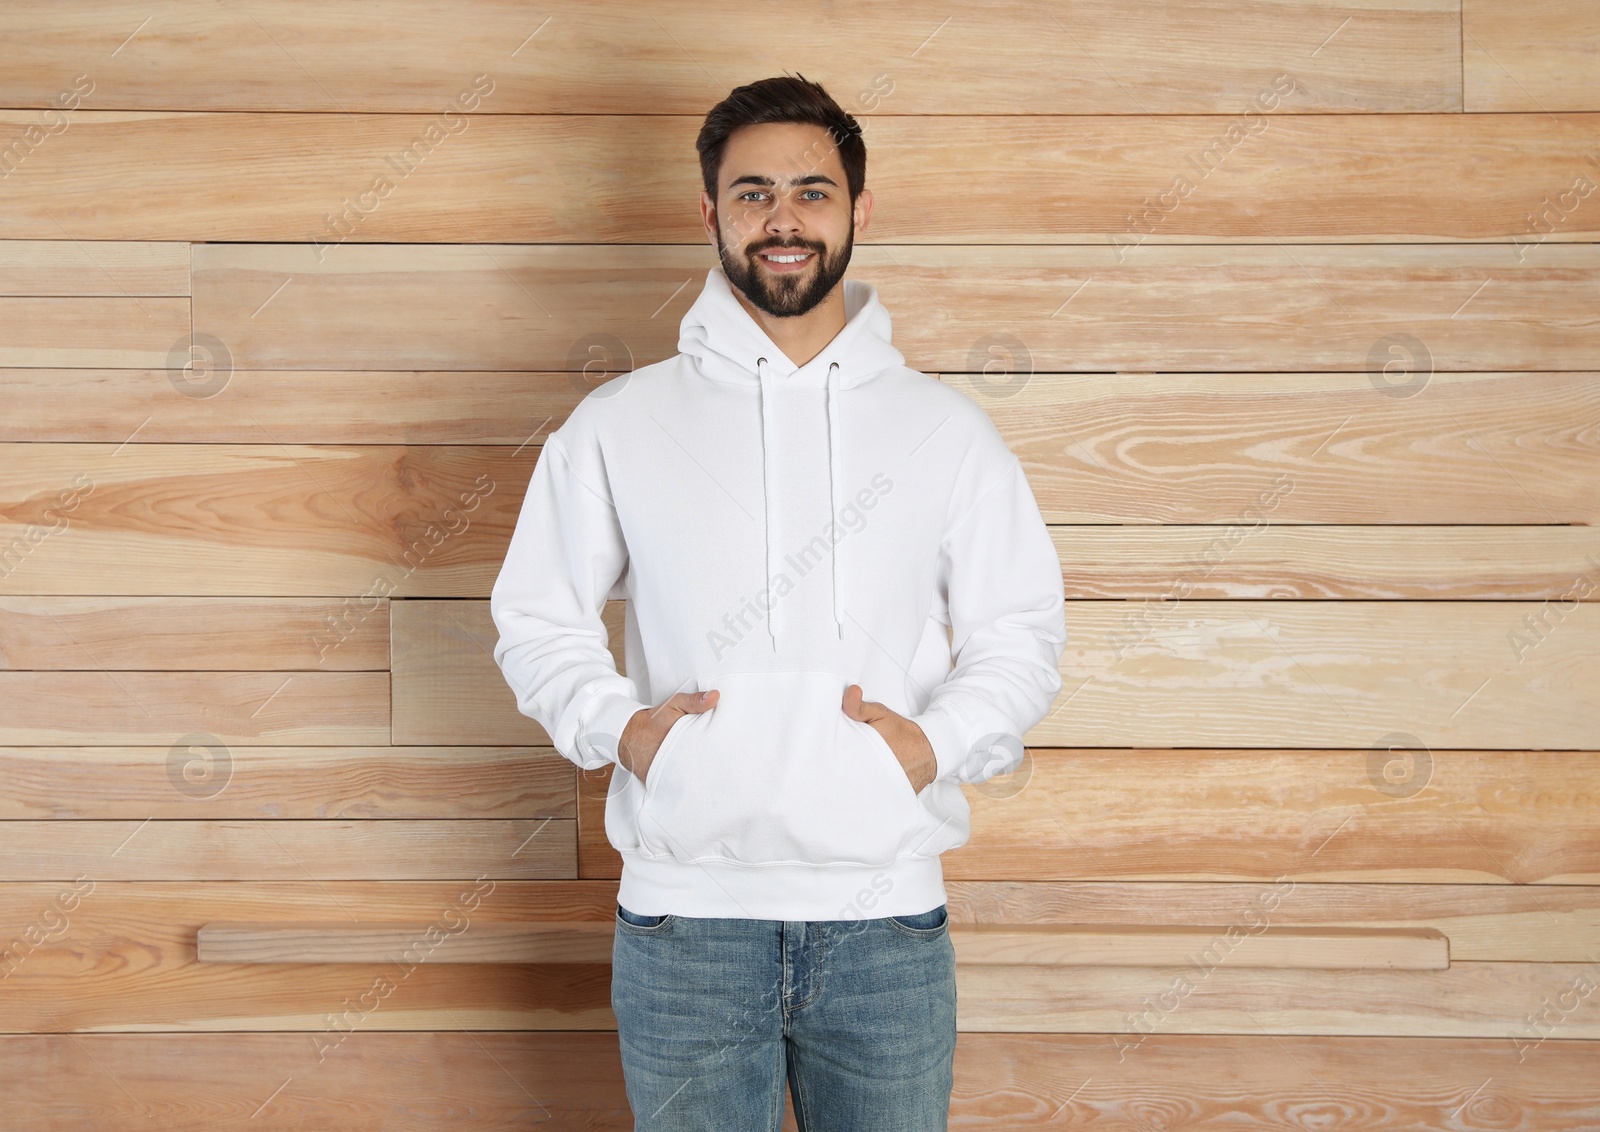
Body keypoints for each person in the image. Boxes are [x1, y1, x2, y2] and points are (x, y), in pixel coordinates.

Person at [490, 73, 1067, 1132]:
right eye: (753, 193)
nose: (783, 217)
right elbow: (537, 618)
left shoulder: (946, 431)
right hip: (685, 924)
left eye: (812, 190)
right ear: (710, 212)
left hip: (883, 919)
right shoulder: (619, 422)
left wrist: (932, 746)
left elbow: (1020, 634)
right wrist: (625, 732)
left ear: (858, 209)